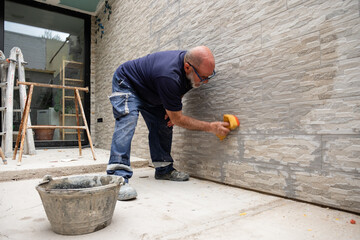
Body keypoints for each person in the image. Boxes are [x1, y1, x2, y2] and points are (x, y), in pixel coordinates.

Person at [107, 46, 230, 200]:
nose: (205, 82)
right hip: (128, 83)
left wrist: (173, 106)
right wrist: (211, 127)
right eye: (203, 77)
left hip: (152, 90)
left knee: (164, 122)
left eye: (209, 77)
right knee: (127, 123)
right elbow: (178, 119)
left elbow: (182, 89)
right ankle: (117, 179)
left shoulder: (189, 67)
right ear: (187, 67)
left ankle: (163, 169)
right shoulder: (168, 75)